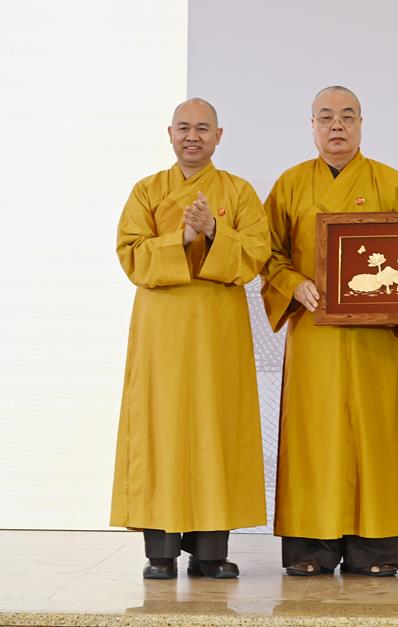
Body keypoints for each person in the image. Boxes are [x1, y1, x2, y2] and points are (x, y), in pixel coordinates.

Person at [261, 86, 398, 577]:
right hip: (313, 332)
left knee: (376, 436)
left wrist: (394, 301)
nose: (337, 125)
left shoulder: (388, 181)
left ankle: (376, 550)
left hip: (373, 336)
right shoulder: (291, 184)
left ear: (361, 124)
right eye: (326, 117)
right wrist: (293, 284)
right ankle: (311, 548)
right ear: (312, 126)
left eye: (347, 116)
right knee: (315, 437)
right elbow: (267, 252)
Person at [111, 98, 269, 579]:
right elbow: (130, 254)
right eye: (184, 128)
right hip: (161, 331)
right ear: (170, 134)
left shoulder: (238, 191)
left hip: (218, 329)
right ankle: (159, 554)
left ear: (218, 136)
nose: (192, 136)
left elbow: (256, 254)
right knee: (162, 428)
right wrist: (179, 239)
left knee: (214, 428)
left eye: (203, 128)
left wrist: (214, 229)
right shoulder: (147, 190)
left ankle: (210, 553)